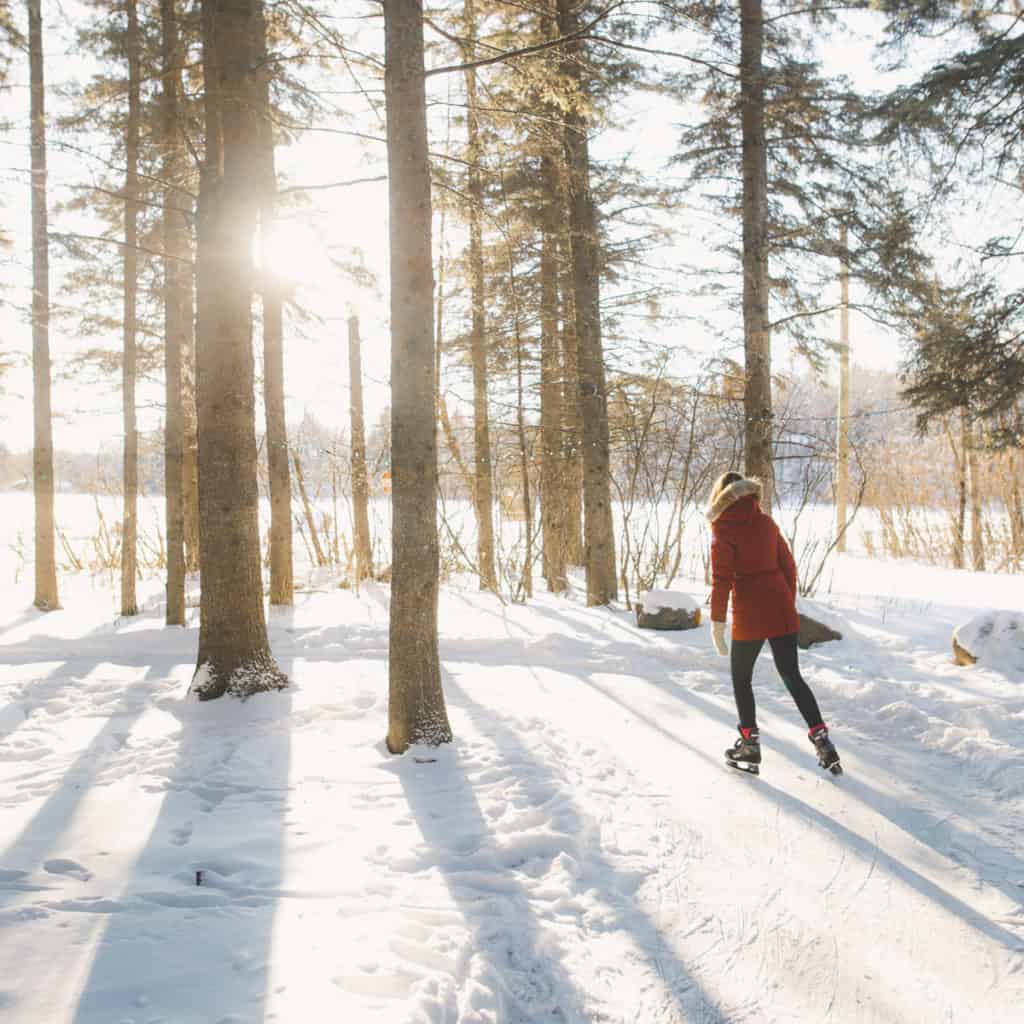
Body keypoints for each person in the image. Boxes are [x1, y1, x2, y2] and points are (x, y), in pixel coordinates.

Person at [706, 471, 841, 775]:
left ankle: (750, 746)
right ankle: (823, 741)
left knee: (742, 678)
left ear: (721, 496)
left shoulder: (722, 528)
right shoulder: (766, 523)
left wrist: (717, 622)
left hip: (749, 612)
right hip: (779, 606)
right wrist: (786, 600)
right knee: (792, 675)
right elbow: (788, 565)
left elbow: (721, 579)